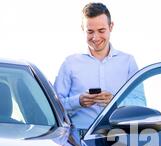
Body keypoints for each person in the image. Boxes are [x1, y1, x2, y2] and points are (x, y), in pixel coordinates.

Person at [54, 2, 144, 132]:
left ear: (111, 26)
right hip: (79, 138)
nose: (95, 38)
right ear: (82, 29)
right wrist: (78, 101)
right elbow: (54, 106)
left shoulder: (128, 62)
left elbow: (141, 103)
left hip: (118, 137)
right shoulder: (70, 63)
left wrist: (115, 101)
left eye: (101, 31)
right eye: (90, 31)